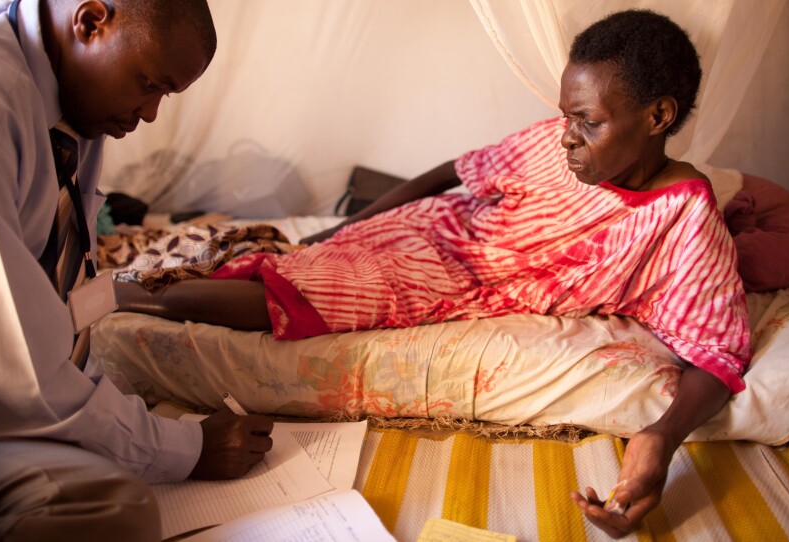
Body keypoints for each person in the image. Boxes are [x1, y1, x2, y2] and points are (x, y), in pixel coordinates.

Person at [115, 9, 751, 538]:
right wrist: (349, 224)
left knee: (302, 294)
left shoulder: (683, 218)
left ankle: (124, 300)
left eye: (587, 122)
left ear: (658, 117)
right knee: (297, 261)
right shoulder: (565, 147)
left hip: (454, 281)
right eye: (566, 116)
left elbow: (718, 353)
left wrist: (661, 438)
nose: (566, 138)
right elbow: (456, 170)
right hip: (437, 229)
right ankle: (117, 293)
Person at [0, 1, 273, 540]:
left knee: (114, 510)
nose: (153, 113)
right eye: (149, 84)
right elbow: (12, 370)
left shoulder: (78, 105)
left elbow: (64, 284)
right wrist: (186, 447)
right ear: (90, 22)